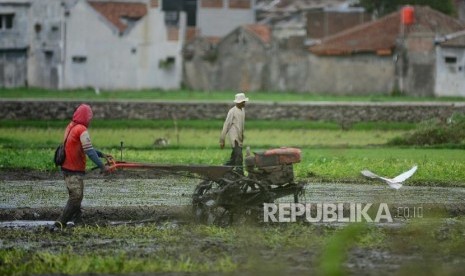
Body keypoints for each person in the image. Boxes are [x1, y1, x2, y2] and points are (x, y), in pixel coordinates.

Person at [54, 104, 110, 229]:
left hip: (66, 168)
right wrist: (102, 167)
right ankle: (59, 223)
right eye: (89, 118)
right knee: (76, 197)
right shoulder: (82, 130)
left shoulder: (71, 126)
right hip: (73, 170)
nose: (90, 121)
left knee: (77, 196)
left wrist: (102, 155)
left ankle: (77, 221)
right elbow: (89, 152)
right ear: (86, 117)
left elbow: (84, 148)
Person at [219, 92, 249, 175]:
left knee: (234, 158)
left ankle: (222, 169)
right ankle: (240, 174)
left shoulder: (243, 110)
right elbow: (226, 125)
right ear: (238, 102)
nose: (244, 103)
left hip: (239, 137)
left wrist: (242, 135)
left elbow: (241, 125)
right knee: (239, 156)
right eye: (243, 102)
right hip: (234, 137)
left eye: (244, 101)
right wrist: (222, 140)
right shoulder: (232, 111)